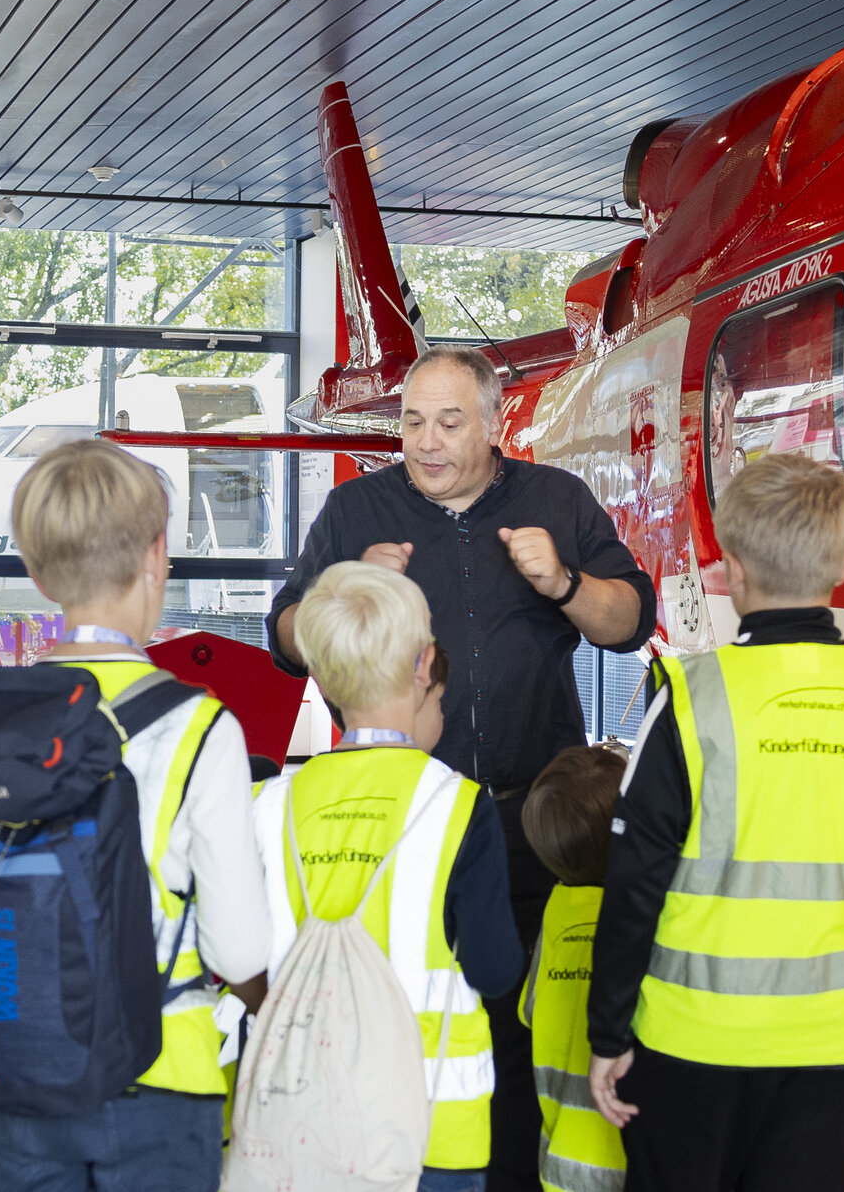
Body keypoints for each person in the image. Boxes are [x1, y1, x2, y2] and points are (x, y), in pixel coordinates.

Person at [267, 347, 655, 1191]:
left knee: (526, 1031)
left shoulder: (556, 499)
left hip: (533, 830)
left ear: (494, 421)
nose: (427, 442)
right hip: (401, 831)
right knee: (397, 1023)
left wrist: (565, 583)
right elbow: (287, 638)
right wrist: (343, 591)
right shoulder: (353, 508)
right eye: (412, 421)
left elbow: (630, 620)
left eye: (449, 422)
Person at [588, 454, 844, 1192]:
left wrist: (609, 1031)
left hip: (692, 1041)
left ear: (733, 567)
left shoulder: (692, 700)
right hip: (839, 1044)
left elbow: (634, 883)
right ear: (843, 562)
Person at [0, 436, 270, 1192]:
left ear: (36, 570)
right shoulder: (199, 726)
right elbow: (238, 948)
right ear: (157, 554)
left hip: (14, 1066)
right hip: (158, 1072)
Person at [254, 560, 525, 1191]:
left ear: (319, 676)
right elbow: (494, 968)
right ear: (425, 665)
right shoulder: (457, 805)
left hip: (300, 1121)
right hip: (432, 1130)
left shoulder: (270, 804)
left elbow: (238, 954)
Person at [517, 744, 628, 1192]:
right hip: (628, 1155)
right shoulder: (636, 915)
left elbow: (529, 1011)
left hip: (559, 1160)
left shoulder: (556, 910)